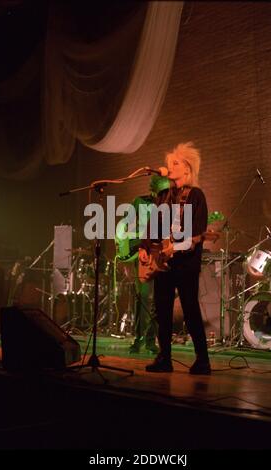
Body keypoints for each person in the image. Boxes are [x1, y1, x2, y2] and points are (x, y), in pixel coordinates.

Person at [139, 142, 211, 375]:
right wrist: (145, 246)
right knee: (162, 310)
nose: (170, 167)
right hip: (163, 263)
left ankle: (202, 360)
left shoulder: (196, 196)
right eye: (169, 164)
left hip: (186, 263)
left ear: (188, 169)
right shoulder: (163, 196)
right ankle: (164, 358)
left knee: (190, 309)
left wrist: (177, 248)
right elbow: (153, 226)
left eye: (176, 163)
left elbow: (196, 232)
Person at [115, 175, 170, 354]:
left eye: (165, 191)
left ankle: (150, 341)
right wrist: (123, 249)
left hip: (160, 255)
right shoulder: (139, 202)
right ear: (152, 189)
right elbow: (123, 225)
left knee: (158, 300)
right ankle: (138, 340)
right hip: (141, 254)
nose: (162, 195)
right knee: (144, 298)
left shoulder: (169, 207)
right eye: (160, 191)